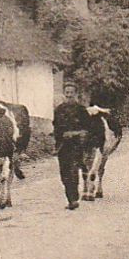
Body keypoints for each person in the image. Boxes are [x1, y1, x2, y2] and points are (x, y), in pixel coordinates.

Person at [52, 81, 93, 210]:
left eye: (71, 93)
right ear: (64, 94)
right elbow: (56, 128)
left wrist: (75, 133)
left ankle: (73, 199)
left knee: (73, 171)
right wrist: (60, 136)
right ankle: (70, 198)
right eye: (67, 93)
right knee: (64, 174)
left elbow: (87, 129)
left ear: (75, 94)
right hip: (62, 146)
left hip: (76, 146)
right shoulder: (59, 110)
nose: (69, 95)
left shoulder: (81, 110)